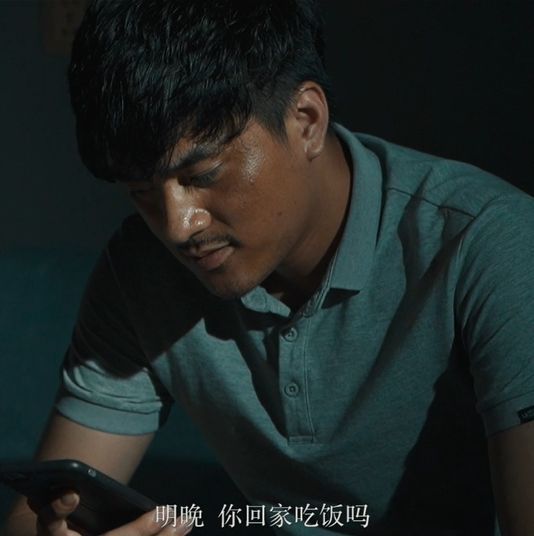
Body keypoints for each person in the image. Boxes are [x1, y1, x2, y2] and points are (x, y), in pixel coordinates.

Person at [3, 0, 534, 535]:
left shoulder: (490, 243)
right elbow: (38, 513)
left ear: (306, 121)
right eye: (141, 191)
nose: (178, 226)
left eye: (203, 174)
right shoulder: (140, 270)